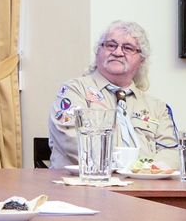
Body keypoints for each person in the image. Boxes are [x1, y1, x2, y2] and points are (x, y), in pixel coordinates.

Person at [48, 20, 178, 169]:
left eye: (128, 48)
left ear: (142, 60)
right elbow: (70, 139)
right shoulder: (74, 91)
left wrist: (146, 171)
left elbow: (171, 152)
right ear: (98, 51)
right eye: (111, 45)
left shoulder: (157, 107)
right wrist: (122, 167)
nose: (117, 52)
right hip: (83, 186)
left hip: (143, 187)